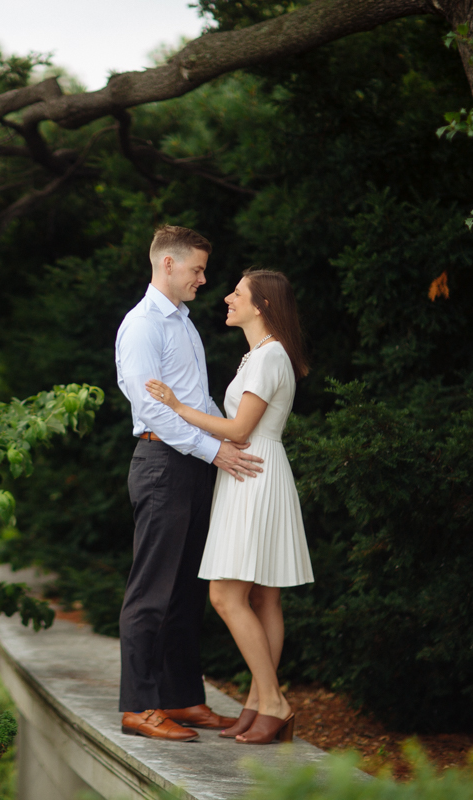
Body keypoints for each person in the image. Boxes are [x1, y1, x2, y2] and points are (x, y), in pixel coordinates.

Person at [146, 268, 314, 745]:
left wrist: (177, 408)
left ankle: (274, 702)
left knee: (226, 596)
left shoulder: (269, 357)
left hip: (252, 474)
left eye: (237, 293)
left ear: (261, 305)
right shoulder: (260, 355)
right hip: (253, 472)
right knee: (263, 597)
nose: (226, 297)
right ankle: (260, 703)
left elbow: (239, 430)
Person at [114, 226, 265, 742]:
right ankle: (138, 707)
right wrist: (215, 449)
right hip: (162, 462)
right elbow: (152, 405)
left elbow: (194, 403)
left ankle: (181, 699)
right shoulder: (142, 326)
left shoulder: (183, 322)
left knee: (185, 590)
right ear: (169, 265)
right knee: (150, 590)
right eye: (198, 269)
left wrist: (230, 439)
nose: (204, 279)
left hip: (194, 463)